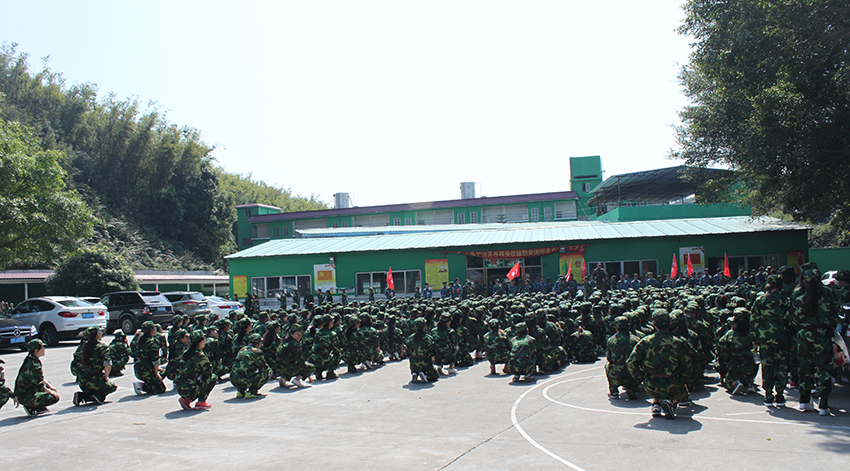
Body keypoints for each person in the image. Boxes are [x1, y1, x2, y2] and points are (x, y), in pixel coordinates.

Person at [790, 268, 837, 415]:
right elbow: (834, 315)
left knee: (804, 369)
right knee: (824, 369)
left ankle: (804, 401)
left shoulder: (799, 297)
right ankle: (823, 404)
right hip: (823, 334)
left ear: (804, 280)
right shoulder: (828, 294)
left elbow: (793, 319)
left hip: (804, 335)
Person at [627, 309, 689, 419]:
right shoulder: (678, 342)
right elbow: (688, 364)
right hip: (673, 382)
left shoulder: (645, 341)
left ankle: (656, 403)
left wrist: (641, 377)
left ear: (654, 324)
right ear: (670, 323)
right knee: (683, 392)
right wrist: (683, 379)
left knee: (657, 388)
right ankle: (671, 402)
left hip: (651, 384)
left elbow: (631, 362)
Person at [750, 275, 791, 406]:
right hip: (782, 338)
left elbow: (754, 320)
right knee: (781, 366)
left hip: (765, 339)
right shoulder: (785, 300)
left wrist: (754, 338)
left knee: (767, 366)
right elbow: (791, 320)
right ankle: (780, 394)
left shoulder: (761, 300)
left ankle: (768, 394)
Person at [717, 308, 758, 396]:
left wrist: (726, 364)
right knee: (749, 371)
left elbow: (722, 350)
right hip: (751, 366)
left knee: (728, 383)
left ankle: (735, 383)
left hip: (735, 365)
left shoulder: (730, 334)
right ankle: (749, 382)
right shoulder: (753, 333)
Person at [73, 326, 117, 406]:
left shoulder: (83, 346)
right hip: (96, 379)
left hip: (83, 381)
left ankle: (82, 395)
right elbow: (107, 365)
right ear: (97, 334)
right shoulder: (102, 347)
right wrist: (106, 377)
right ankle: (97, 396)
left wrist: (79, 374)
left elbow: (75, 362)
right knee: (112, 387)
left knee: (91, 388)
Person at [15, 339, 60, 416]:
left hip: (24, 392)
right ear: (36, 350)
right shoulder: (34, 364)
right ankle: (31, 406)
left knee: (47, 384)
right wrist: (50, 392)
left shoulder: (30, 359)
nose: (44, 349)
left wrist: (51, 387)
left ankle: (37, 406)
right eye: (42, 348)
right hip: (26, 395)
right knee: (54, 397)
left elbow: (41, 378)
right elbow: (39, 383)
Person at [176, 331, 216, 410]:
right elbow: (208, 371)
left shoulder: (186, 352)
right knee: (213, 378)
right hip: (190, 387)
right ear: (201, 341)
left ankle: (186, 399)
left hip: (180, 385)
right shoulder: (199, 355)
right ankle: (201, 402)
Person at [605, 316, 639, 400]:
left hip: (616, 374)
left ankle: (614, 391)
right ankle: (632, 387)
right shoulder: (636, 339)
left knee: (607, 365)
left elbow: (609, 358)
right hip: (632, 373)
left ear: (616, 327)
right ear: (629, 326)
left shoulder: (611, 340)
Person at [230, 333, 270, 398]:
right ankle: (252, 392)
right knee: (267, 373)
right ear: (258, 343)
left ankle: (240, 391)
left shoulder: (242, 349)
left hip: (233, 379)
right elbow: (264, 368)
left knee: (243, 373)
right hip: (246, 380)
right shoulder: (257, 352)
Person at [133, 321, 167, 396]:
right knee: (161, 389)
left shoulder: (140, 339)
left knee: (162, 372)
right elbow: (155, 360)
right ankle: (141, 386)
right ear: (151, 330)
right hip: (147, 369)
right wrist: (156, 373)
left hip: (139, 368)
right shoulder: (152, 342)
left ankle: (150, 383)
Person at [406, 318, 438, 383]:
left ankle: (415, 373)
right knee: (435, 376)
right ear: (425, 326)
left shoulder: (410, 338)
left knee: (415, 362)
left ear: (415, 327)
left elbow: (407, 352)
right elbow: (433, 353)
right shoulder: (428, 338)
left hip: (414, 364)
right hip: (425, 363)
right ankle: (424, 373)